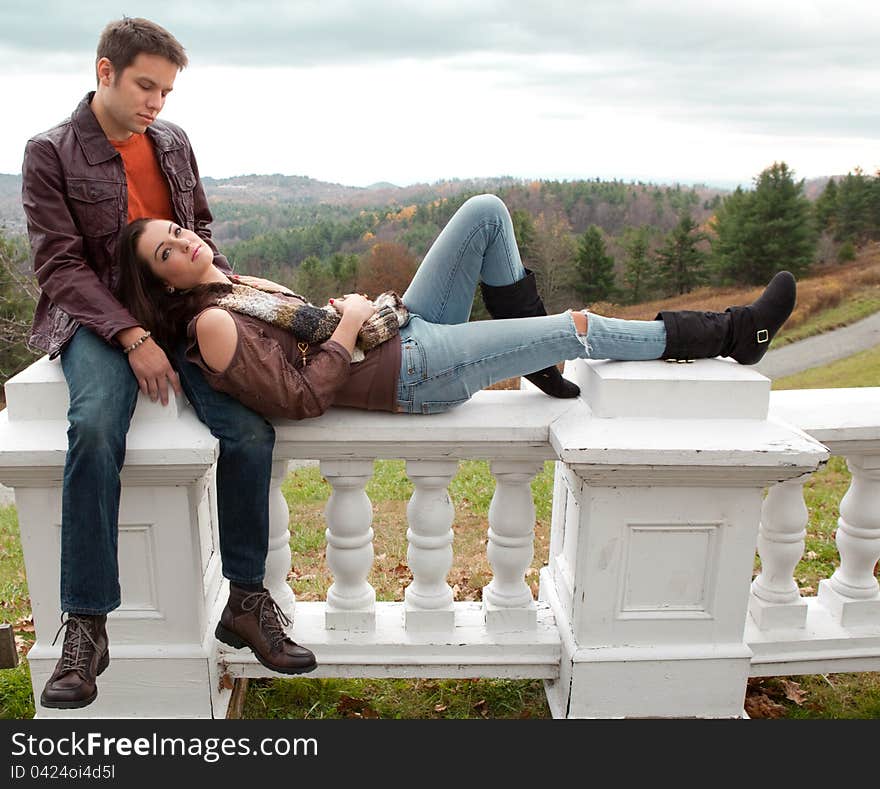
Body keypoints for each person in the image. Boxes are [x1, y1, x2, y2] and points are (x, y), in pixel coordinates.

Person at [21, 17, 314, 711]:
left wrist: (226, 290)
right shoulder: (50, 152)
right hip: (97, 317)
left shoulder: (173, 142)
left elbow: (200, 230)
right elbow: (60, 266)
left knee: (247, 431)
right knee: (94, 425)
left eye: (167, 91)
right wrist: (129, 333)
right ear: (105, 72)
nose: (157, 103)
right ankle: (86, 627)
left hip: (185, 309)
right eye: (145, 86)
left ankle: (247, 601)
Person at [116, 194, 797, 426]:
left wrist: (354, 316)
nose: (181, 240)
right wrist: (349, 322)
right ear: (165, 285)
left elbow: (304, 337)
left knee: (484, 213)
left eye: (174, 231)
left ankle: (541, 363)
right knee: (578, 326)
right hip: (409, 372)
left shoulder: (233, 282)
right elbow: (298, 397)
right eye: (164, 252)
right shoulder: (209, 323)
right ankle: (735, 333)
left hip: (402, 326)